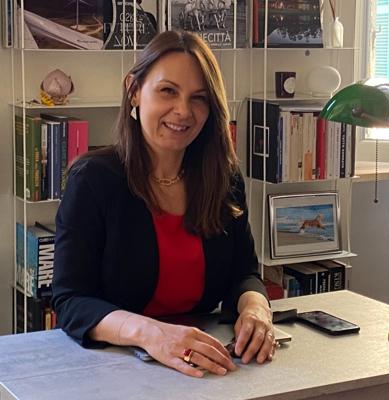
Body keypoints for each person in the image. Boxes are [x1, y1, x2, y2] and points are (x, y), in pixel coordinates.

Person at [52, 30, 275, 378]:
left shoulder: (223, 177)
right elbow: (71, 300)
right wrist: (151, 334)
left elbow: (244, 273)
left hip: (203, 368)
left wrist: (257, 310)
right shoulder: (93, 180)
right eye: (168, 91)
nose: (183, 111)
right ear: (134, 91)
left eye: (199, 98)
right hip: (113, 369)